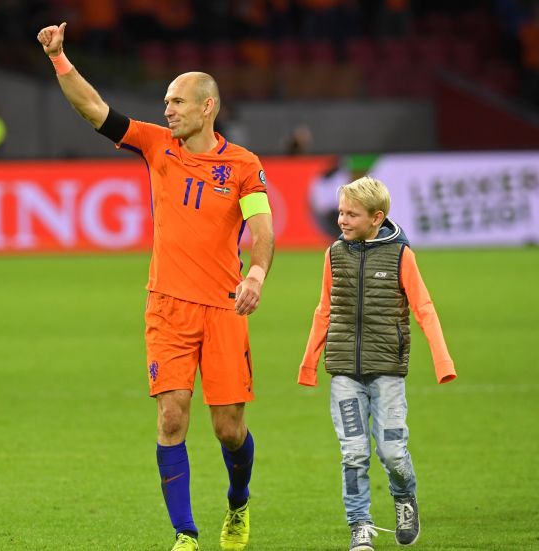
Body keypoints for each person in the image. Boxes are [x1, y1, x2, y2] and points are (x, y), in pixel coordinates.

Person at [37, 22, 275, 551]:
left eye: (177, 101)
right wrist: (59, 59)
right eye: (165, 100)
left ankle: (238, 501)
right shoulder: (155, 145)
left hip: (222, 309)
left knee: (228, 429)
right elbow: (93, 109)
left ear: (207, 107)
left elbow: (262, 228)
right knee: (171, 415)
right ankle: (185, 534)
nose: (167, 109)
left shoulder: (242, 166)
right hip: (166, 306)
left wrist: (256, 273)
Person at [297, 176, 456, 551]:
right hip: (344, 374)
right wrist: (309, 363)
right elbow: (325, 308)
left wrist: (442, 360)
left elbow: (424, 308)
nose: (341, 220)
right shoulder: (334, 254)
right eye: (340, 212)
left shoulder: (401, 255)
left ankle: (405, 499)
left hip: (387, 373)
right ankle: (360, 526)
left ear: (376, 217)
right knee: (353, 453)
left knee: (392, 452)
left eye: (351, 214)